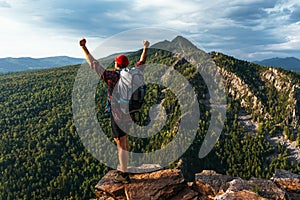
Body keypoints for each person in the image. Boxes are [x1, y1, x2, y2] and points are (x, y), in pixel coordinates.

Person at [79, 38, 150, 183]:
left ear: (117, 64)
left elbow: (93, 64)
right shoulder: (135, 72)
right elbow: (142, 62)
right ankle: (125, 166)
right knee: (124, 139)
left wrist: (84, 48)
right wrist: (145, 47)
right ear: (127, 65)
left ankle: (124, 173)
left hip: (118, 114)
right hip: (130, 113)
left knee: (120, 143)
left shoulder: (112, 76)